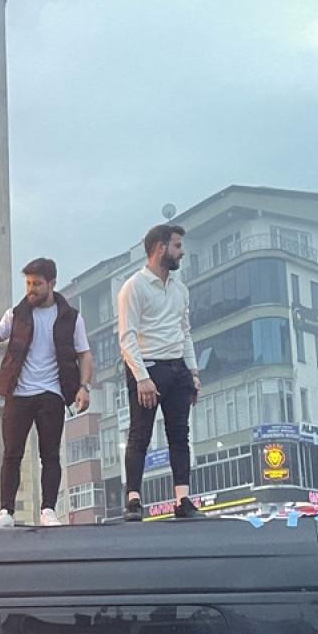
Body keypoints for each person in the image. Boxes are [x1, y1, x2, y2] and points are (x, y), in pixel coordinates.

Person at [0, 258, 92, 528]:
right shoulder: (16, 314)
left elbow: (84, 354)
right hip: (18, 393)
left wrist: (84, 386)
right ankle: (6, 511)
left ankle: (48, 510)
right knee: (11, 453)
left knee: (50, 455)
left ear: (51, 284)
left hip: (52, 393)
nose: (31, 289)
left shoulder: (71, 318)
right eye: (28, 283)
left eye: (37, 284)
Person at [117, 223, 202, 520]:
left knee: (179, 434)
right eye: (177, 245)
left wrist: (193, 372)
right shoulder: (134, 286)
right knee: (139, 434)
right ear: (159, 248)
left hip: (177, 366)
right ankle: (133, 501)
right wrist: (142, 378)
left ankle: (183, 500)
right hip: (148, 365)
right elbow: (127, 337)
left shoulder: (180, 289)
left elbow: (184, 331)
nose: (182, 252)